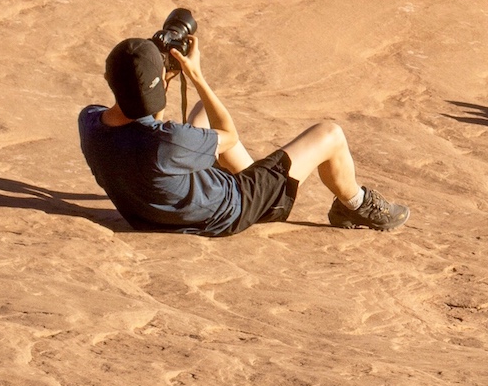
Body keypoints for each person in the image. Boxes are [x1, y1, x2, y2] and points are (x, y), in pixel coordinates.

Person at [77, 24, 407, 236]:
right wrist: (196, 76)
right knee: (330, 134)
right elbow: (228, 136)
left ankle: (264, 183)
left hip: (156, 213)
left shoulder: (90, 124)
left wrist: (158, 83)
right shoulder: (168, 143)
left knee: (200, 113)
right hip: (229, 209)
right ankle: (356, 204)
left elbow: (152, 129)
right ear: (161, 84)